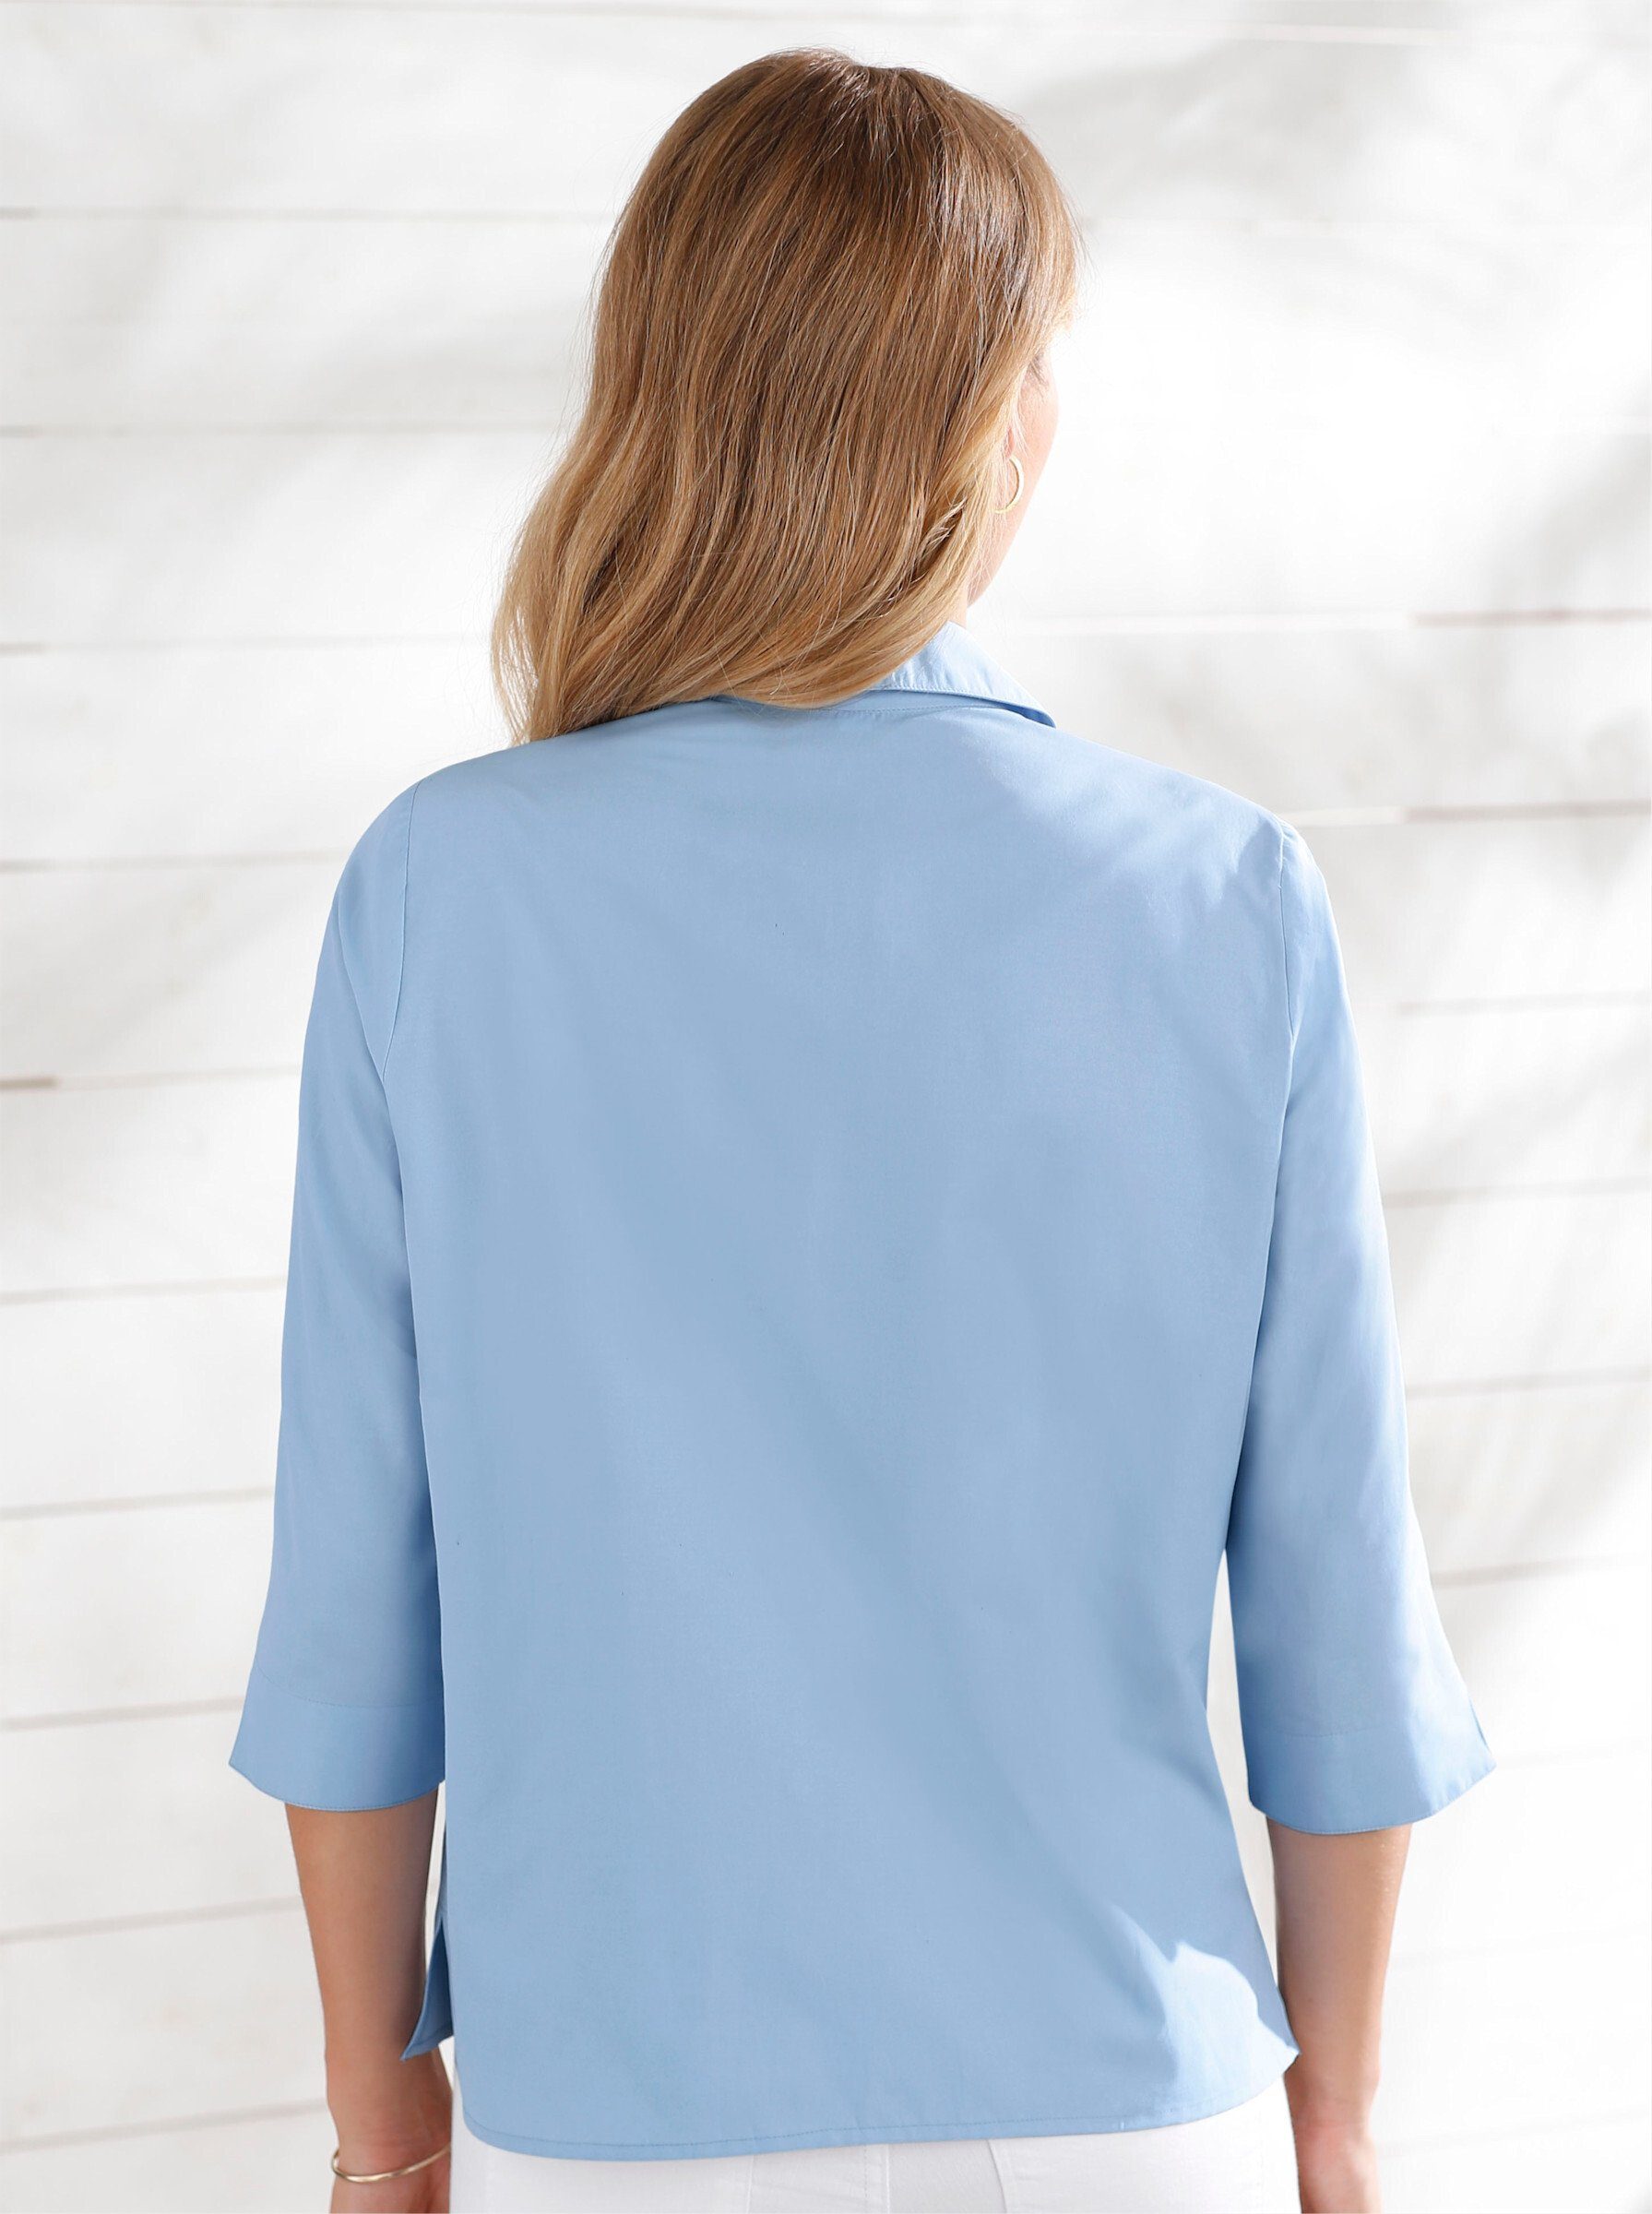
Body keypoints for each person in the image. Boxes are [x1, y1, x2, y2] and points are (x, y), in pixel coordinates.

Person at [228, 48, 1495, 2214]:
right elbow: (1337, 1621)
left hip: (606, 2118)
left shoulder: (442, 891)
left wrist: (380, 2132)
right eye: (1038, 362)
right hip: (1131, 2106)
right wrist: (1336, 2121)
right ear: (976, 414)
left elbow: (356, 1612)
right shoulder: (1220, 896)